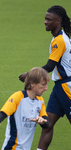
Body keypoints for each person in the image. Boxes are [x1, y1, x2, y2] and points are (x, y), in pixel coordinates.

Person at [19, 5, 71, 150]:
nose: (45, 22)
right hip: (59, 87)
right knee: (47, 125)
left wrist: (29, 75)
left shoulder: (59, 40)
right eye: (45, 19)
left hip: (67, 87)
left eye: (49, 19)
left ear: (58, 21)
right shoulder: (59, 38)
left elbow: (49, 66)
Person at [0, 67, 50, 150]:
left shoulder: (40, 100)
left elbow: (46, 124)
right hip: (12, 147)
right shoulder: (18, 97)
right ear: (32, 83)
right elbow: (3, 112)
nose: (46, 88)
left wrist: (42, 122)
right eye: (43, 84)